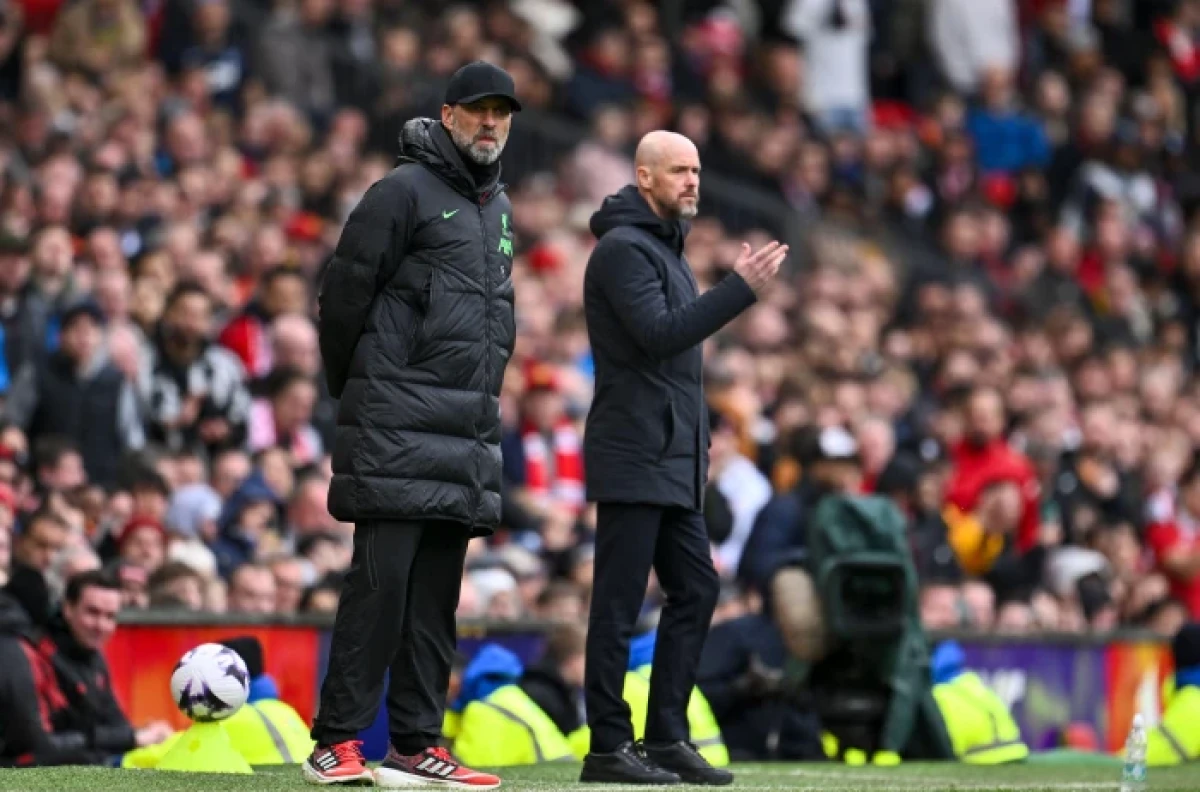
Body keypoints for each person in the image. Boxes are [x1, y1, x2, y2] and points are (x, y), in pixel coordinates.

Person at [307, 60, 521, 789]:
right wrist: (364, 393)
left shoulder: (498, 206)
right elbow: (341, 299)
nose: (490, 123)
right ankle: (336, 740)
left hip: (464, 433)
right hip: (397, 425)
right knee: (380, 589)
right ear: (448, 115)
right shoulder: (400, 191)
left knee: (435, 601)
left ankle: (416, 744)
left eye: (502, 112)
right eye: (478, 110)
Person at [580, 129, 786, 786]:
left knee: (697, 587)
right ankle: (608, 745)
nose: (693, 180)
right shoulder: (622, 250)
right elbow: (660, 336)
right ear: (644, 176)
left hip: (671, 456)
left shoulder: (665, 249)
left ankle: (666, 735)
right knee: (618, 603)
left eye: (696, 170)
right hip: (634, 452)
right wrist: (738, 290)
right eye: (678, 170)